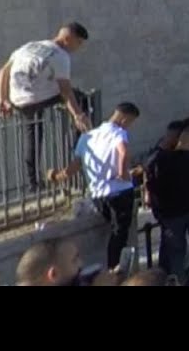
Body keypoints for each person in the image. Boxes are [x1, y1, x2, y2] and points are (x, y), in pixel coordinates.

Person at [0, 22, 91, 190]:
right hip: (36, 98)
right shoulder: (60, 56)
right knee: (80, 97)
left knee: (33, 133)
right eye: (79, 43)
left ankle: (33, 182)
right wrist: (77, 115)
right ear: (69, 39)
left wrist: (2, 99)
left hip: (17, 100)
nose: (79, 48)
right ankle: (79, 144)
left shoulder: (28, 46)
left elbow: (3, 72)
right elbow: (65, 90)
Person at [48, 102, 141, 270]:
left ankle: (114, 269)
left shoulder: (87, 137)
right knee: (120, 234)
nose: (129, 126)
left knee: (114, 230)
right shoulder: (118, 133)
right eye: (130, 122)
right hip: (119, 191)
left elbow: (74, 166)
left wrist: (56, 176)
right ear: (125, 118)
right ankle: (115, 271)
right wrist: (123, 173)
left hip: (99, 195)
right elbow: (124, 151)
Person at [146, 119, 189, 284]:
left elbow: (153, 185)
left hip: (171, 215)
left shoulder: (161, 159)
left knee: (176, 253)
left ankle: (178, 281)